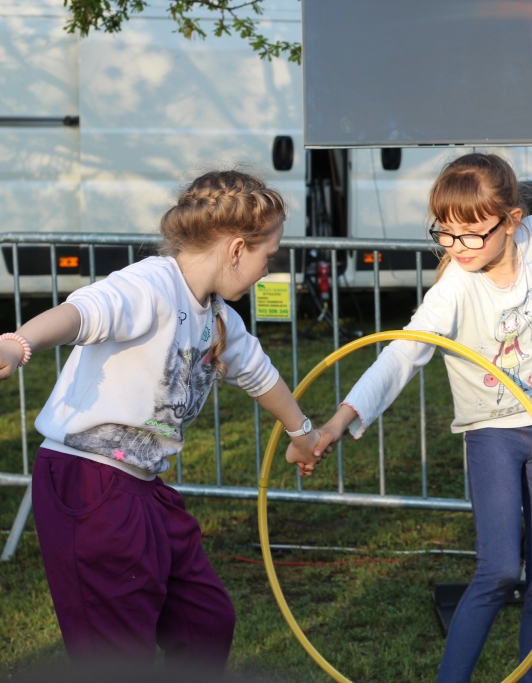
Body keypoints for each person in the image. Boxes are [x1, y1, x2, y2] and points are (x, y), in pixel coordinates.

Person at [313, 153, 532, 683]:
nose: (456, 246)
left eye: (471, 234)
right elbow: (399, 356)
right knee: (501, 569)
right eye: (445, 233)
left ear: (511, 220)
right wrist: (337, 422)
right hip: (492, 434)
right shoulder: (454, 291)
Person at [0, 171, 327, 672]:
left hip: (143, 488)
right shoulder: (150, 285)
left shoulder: (218, 316)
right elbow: (82, 313)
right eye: (269, 255)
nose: (268, 269)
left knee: (206, 621)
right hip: (87, 484)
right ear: (237, 249)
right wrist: (17, 344)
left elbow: (260, 375)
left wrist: (302, 434)